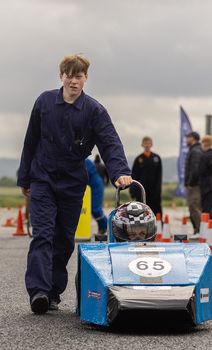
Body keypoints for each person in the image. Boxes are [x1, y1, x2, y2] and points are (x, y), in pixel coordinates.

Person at [17, 54, 132, 314]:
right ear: (61, 77)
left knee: (64, 239)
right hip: (43, 178)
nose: (73, 81)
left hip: (72, 181)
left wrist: (120, 171)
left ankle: (54, 292)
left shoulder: (94, 110)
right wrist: (25, 177)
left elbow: (110, 142)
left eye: (78, 76)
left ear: (85, 79)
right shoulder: (44, 102)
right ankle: (39, 292)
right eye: (69, 75)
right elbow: (30, 140)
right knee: (43, 234)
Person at [130, 136, 162, 217]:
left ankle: (158, 226)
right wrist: (133, 191)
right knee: (141, 211)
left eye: (148, 143)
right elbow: (134, 175)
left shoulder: (156, 158)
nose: (147, 145)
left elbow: (159, 176)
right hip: (141, 191)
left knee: (156, 210)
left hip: (154, 192)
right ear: (142, 145)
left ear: (151, 145)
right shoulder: (139, 159)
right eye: (145, 143)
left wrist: (158, 190)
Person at [184, 131, 204, 237]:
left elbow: (195, 169)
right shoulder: (194, 149)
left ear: (193, 139)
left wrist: (190, 182)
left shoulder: (195, 151)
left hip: (195, 185)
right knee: (194, 207)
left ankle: (199, 231)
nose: (186, 139)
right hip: (194, 184)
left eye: (188, 137)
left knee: (194, 206)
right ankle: (197, 230)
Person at [85, 158, 108, 235]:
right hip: (92, 186)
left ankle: (108, 226)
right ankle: (102, 228)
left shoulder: (85, 161)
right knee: (94, 209)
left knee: (95, 209)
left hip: (95, 187)